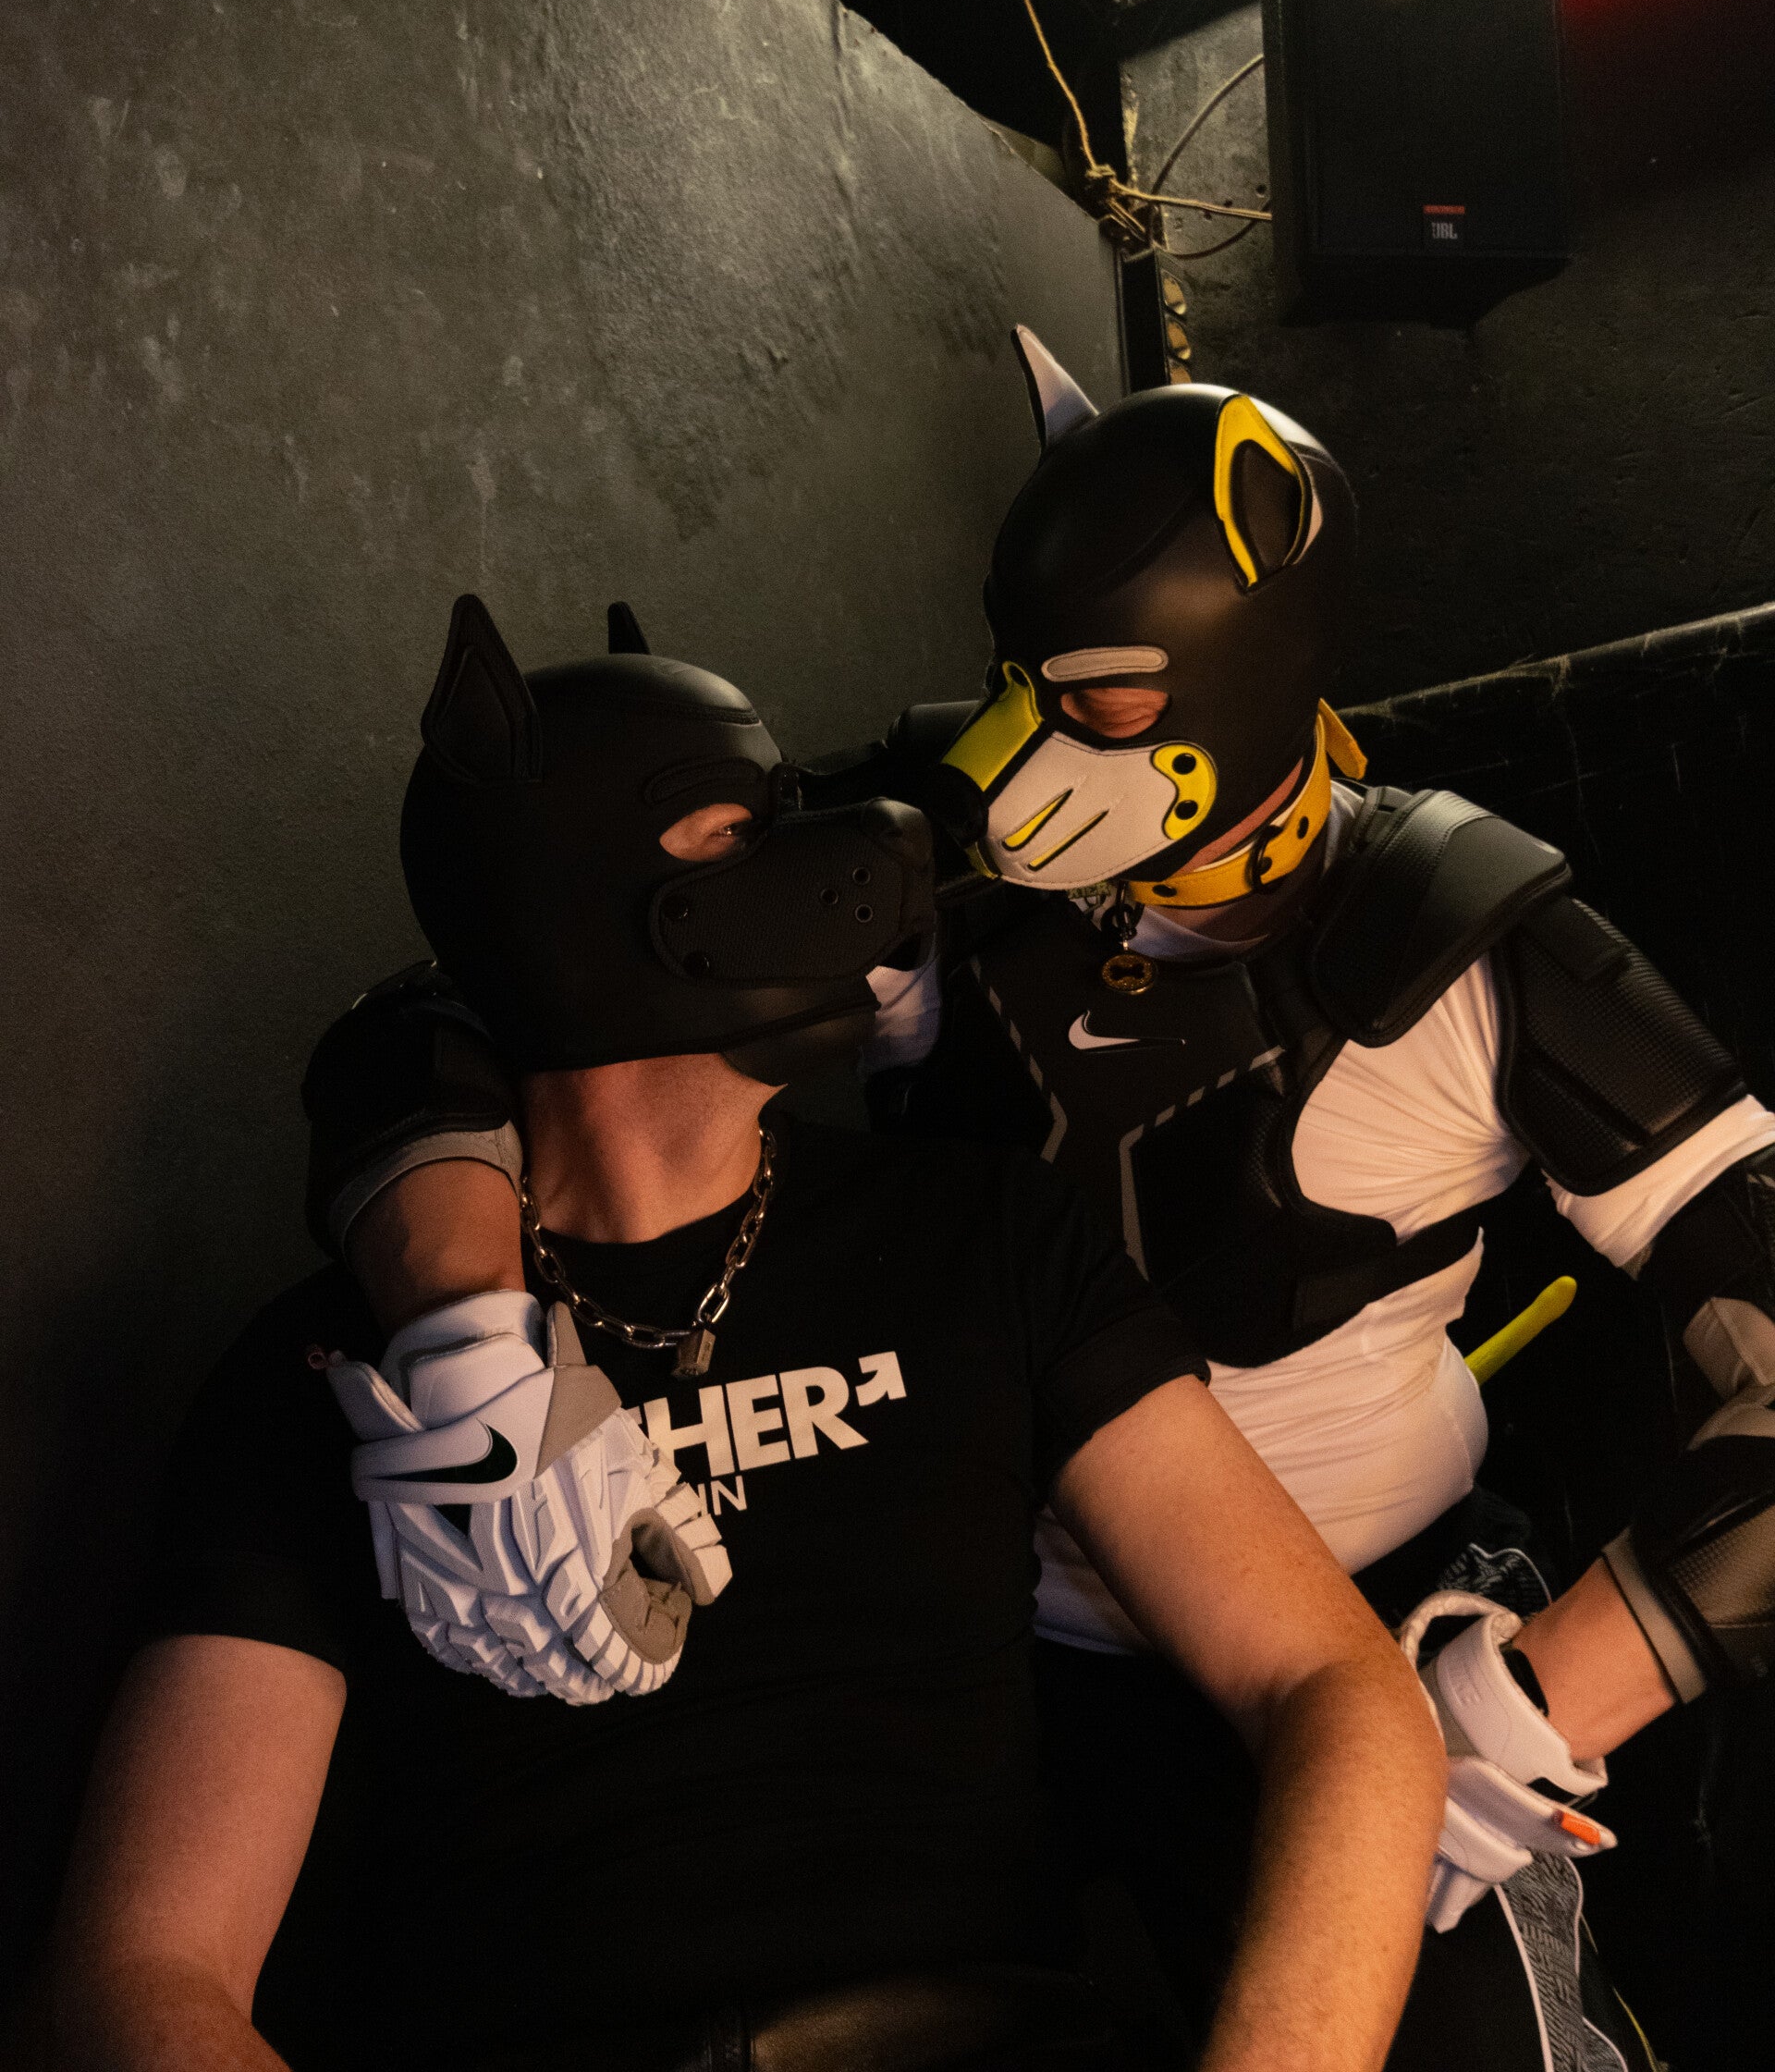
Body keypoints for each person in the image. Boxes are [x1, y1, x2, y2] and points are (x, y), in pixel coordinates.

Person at [291, 341, 1775, 2066]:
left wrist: (1535, 1695)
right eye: (1019, 677)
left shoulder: (1477, 951)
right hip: (985, 1646)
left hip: (1372, 1625)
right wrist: (469, 1339)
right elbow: (519, 960)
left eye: (1105, 697)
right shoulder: (953, 863)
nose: (1021, 751)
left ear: (1251, 665)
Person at [50, 596, 1446, 2072]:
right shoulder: (329, 1373)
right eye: (741, 828)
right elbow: (140, 1975)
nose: (826, 859)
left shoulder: (979, 1235)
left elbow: (1335, 1688)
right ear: (571, 893)